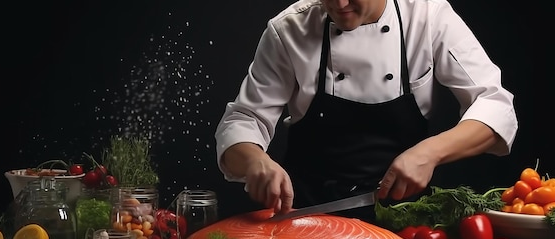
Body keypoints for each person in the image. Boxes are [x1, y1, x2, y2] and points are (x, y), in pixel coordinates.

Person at [215, 0, 518, 223]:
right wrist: (254, 160)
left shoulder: (428, 17)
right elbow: (244, 119)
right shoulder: (289, 30)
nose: (340, 4)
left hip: (406, 220)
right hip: (307, 217)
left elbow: (495, 104)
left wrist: (431, 152)